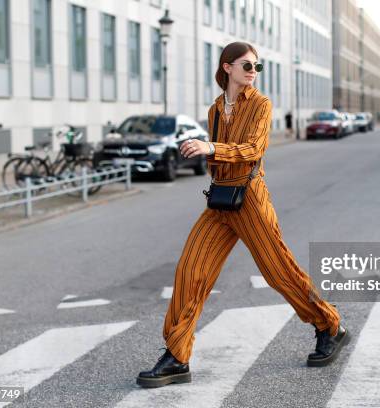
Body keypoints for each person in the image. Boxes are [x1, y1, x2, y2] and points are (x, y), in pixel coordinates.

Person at [136, 41, 349, 389]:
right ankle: (177, 356)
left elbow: (254, 149)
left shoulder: (262, 105)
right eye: (246, 65)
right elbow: (215, 159)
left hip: (249, 198)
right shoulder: (216, 109)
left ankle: (328, 324)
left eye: (256, 66)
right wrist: (204, 152)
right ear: (227, 68)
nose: (252, 71)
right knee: (190, 270)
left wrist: (212, 147)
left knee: (280, 272)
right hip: (220, 201)